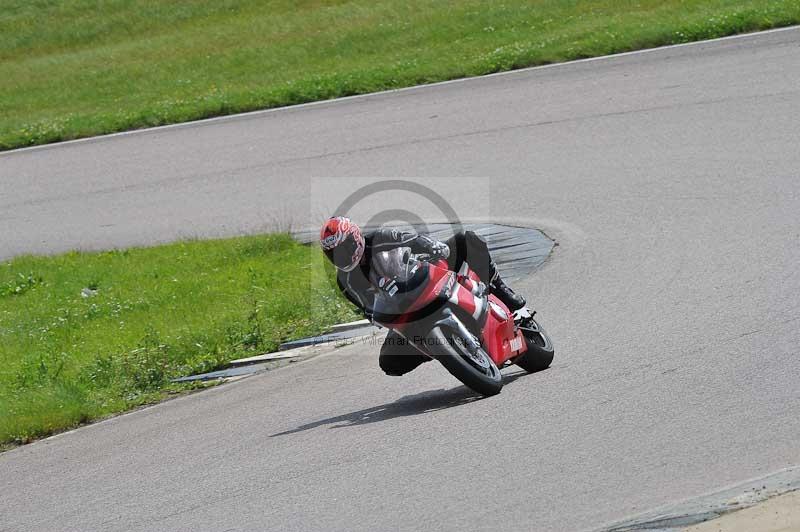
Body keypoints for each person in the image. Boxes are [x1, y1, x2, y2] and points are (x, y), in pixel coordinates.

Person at [319, 216, 527, 376]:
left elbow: (413, 240)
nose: (340, 256)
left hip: (422, 276)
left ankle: (501, 290)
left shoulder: (379, 237)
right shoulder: (345, 280)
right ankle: (444, 349)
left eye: (342, 248)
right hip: (403, 312)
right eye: (333, 253)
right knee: (389, 363)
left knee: (466, 240)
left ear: (355, 238)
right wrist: (377, 312)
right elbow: (367, 309)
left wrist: (432, 246)